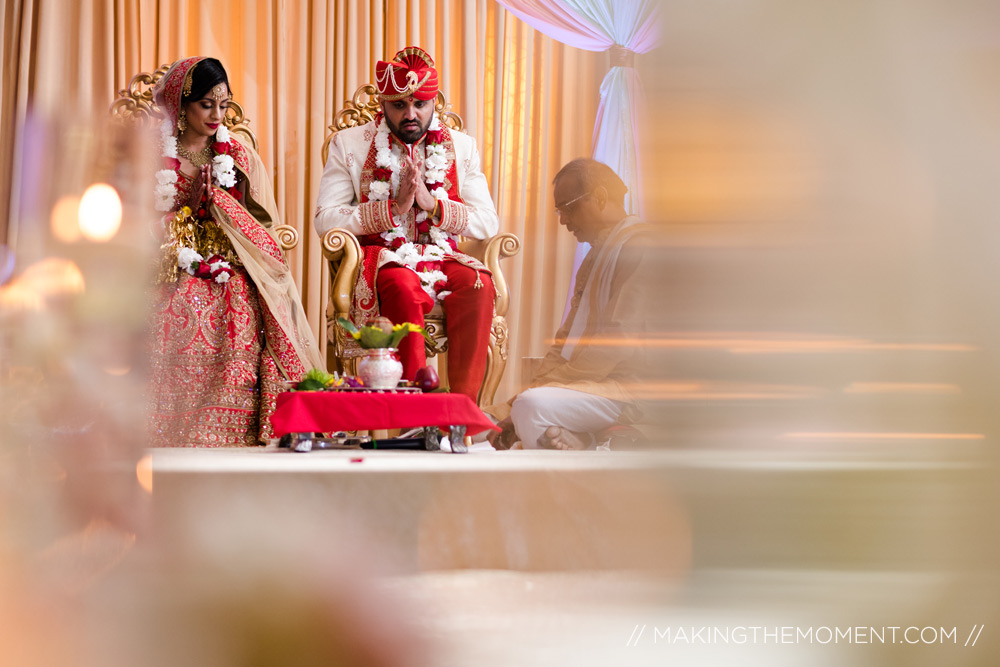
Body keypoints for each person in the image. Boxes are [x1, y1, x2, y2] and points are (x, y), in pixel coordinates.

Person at [148, 57, 324, 447]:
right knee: (182, 301)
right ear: (180, 104)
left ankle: (229, 426)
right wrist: (185, 211)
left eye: (224, 105)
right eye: (206, 104)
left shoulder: (238, 156)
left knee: (238, 309)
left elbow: (265, 228)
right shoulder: (149, 156)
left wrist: (222, 208)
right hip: (161, 263)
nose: (217, 115)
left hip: (231, 263)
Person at [314, 46, 499, 402]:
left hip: (443, 254)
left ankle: (462, 416)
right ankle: (415, 414)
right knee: (401, 285)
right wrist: (392, 208)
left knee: (479, 283)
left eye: (420, 104)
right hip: (384, 256)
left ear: (434, 103)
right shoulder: (349, 144)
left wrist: (434, 206)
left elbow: (487, 222)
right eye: (399, 105)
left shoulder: (462, 147)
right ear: (382, 105)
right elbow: (326, 220)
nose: (410, 114)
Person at [487, 158, 653, 450]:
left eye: (569, 207)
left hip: (627, 390)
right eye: (559, 210)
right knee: (503, 415)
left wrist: (529, 397)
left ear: (600, 197)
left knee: (530, 407)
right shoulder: (594, 257)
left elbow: (618, 341)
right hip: (592, 389)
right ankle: (585, 442)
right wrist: (530, 391)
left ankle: (587, 445)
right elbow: (565, 342)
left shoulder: (641, 247)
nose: (563, 220)